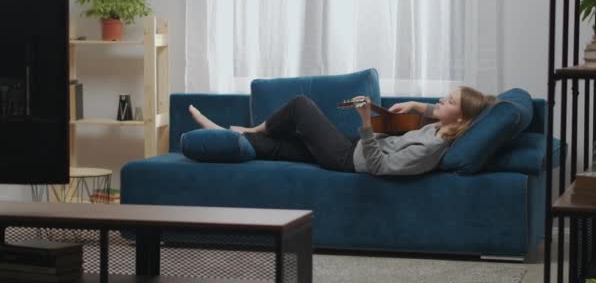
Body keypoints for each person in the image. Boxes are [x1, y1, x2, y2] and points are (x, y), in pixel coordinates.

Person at [188, 86, 496, 176]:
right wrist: (415, 103)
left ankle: (248, 129)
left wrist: (365, 121)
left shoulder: (432, 148)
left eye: (449, 100)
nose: (441, 99)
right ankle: (229, 137)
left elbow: (380, 167)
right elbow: (431, 112)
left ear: (461, 117)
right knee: (283, 147)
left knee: (300, 106)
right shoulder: (442, 128)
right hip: (354, 148)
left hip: (350, 158)